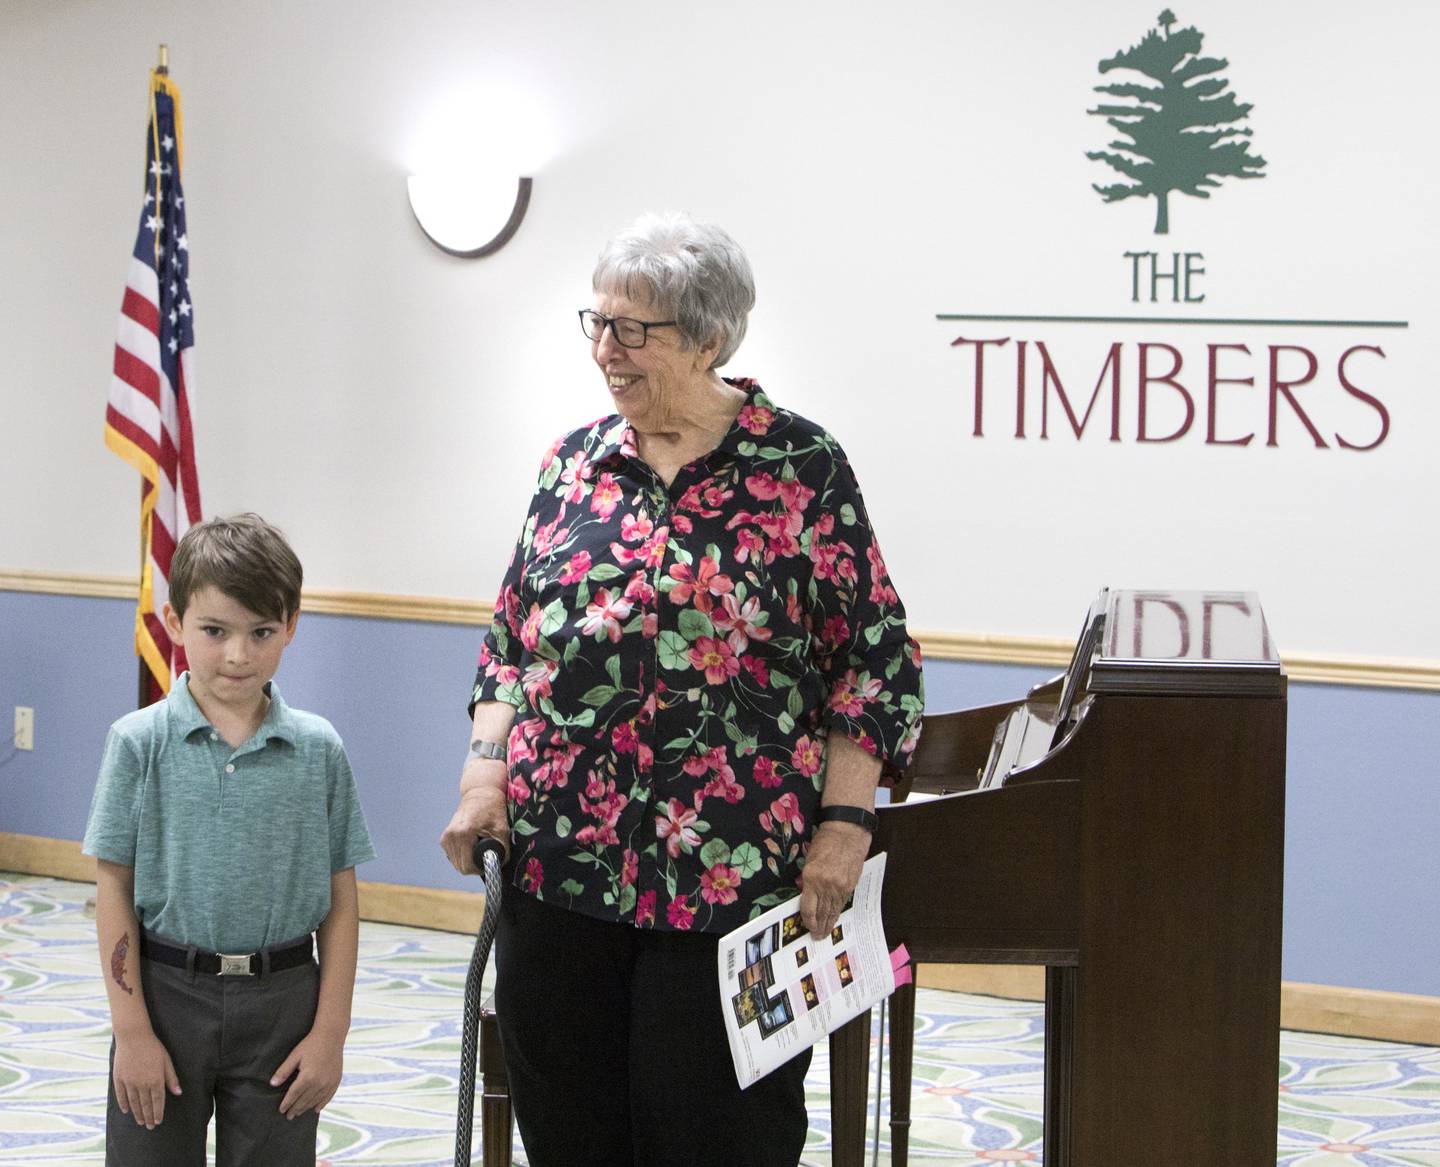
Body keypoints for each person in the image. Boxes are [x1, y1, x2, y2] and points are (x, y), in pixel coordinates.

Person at [440, 212, 923, 1167]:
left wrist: (846, 823)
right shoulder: (573, 467)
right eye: (597, 323)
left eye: (634, 330)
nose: (604, 351)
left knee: (719, 1140)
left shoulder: (801, 468)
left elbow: (872, 659)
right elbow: (510, 646)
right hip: (562, 873)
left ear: (710, 339)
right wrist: (483, 778)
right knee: (571, 1132)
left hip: (730, 888)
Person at [83, 513, 376, 1167]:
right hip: (164, 996)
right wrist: (131, 1030)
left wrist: (331, 1031)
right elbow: (114, 885)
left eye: (262, 631)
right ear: (174, 618)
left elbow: (341, 899)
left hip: (284, 1002)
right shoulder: (138, 743)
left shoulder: (319, 749)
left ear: (292, 624)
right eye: (214, 630)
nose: (238, 654)